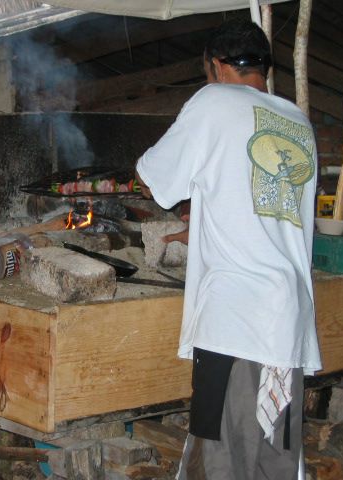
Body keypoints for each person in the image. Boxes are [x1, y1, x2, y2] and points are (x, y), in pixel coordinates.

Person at [135, 18, 322, 480]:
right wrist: (199, 228)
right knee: (274, 466)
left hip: (235, 325)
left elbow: (153, 178)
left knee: (221, 464)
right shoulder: (297, 121)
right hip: (288, 328)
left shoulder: (213, 101)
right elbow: (265, 207)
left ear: (217, 66)